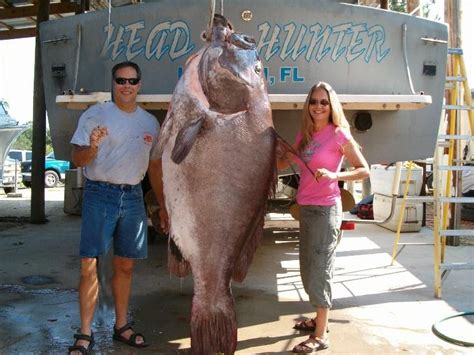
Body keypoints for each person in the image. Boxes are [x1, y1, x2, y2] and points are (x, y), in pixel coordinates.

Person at [68, 61, 168, 354]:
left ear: (139, 84)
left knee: (125, 265)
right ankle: (85, 333)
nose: (126, 86)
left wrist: (162, 206)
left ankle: (121, 325)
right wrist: (92, 148)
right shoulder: (95, 114)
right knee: (89, 265)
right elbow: (77, 159)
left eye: (132, 81)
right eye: (121, 81)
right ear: (113, 83)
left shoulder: (150, 123)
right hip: (100, 194)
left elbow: (154, 168)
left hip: (134, 197)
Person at [276, 82, 369, 353]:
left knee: (320, 271)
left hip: (326, 209)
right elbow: (283, 164)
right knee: (307, 269)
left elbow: (363, 170)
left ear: (331, 107)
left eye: (324, 102)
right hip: (306, 208)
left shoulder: (339, 135)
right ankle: (320, 319)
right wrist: (275, 148)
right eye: (314, 101)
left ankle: (320, 335)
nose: (318, 106)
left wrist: (335, 176)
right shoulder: (304, 135)